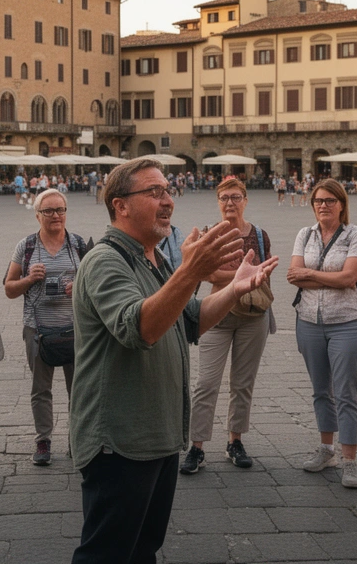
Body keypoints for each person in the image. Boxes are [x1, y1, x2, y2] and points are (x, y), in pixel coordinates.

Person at [70, 158, 277, 564]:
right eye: (154, 192)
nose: (167, 201)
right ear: (120, 205)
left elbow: (190, 320)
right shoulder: (105, 260)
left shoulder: (154, 257)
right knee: (106, 554)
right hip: (120, 440)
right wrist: (191, 270)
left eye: (168, 191)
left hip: (157, 436)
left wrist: (233, 289)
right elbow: (140, 328)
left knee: (143, 549)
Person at [181, 178, 275, 474]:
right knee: (205, 384)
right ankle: (197, 447)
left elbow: (262, 273)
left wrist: (228, 275)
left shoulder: (260, 235)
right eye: (224, 198)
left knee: (242, 383)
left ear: (245, 200)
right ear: (217, 202)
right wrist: (240, 276)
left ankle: (235, 441)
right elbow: (205, 274)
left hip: (253, 316)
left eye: (235, 197)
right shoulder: (209, 235)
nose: (229, 203)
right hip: (216, 315)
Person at [287, 179, 357, 488]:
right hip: (308, 320)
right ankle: (326, 449)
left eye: (330, 201)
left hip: (346, 322)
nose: (324, 205)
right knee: (321, 390)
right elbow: (294, 276)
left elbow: (350, 276)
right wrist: (331, 278)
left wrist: (310, 274)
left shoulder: (356, 234)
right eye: (319, 201)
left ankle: (349, 460)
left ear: (342, 204)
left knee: (346, 393)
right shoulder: (304, 234)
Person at [4, 188, 85, 466]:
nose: (55, 216)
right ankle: (43, 440)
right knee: (41, 389)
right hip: (37, 330)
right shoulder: (26, 246)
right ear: (37, 215)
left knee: (79, 388)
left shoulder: (78, 245)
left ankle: (78, 439)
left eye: (60, 210)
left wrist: (81, 288)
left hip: (76, 329)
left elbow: (97, 285)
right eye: (48, 211)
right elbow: (9, 289)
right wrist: (28, 279)